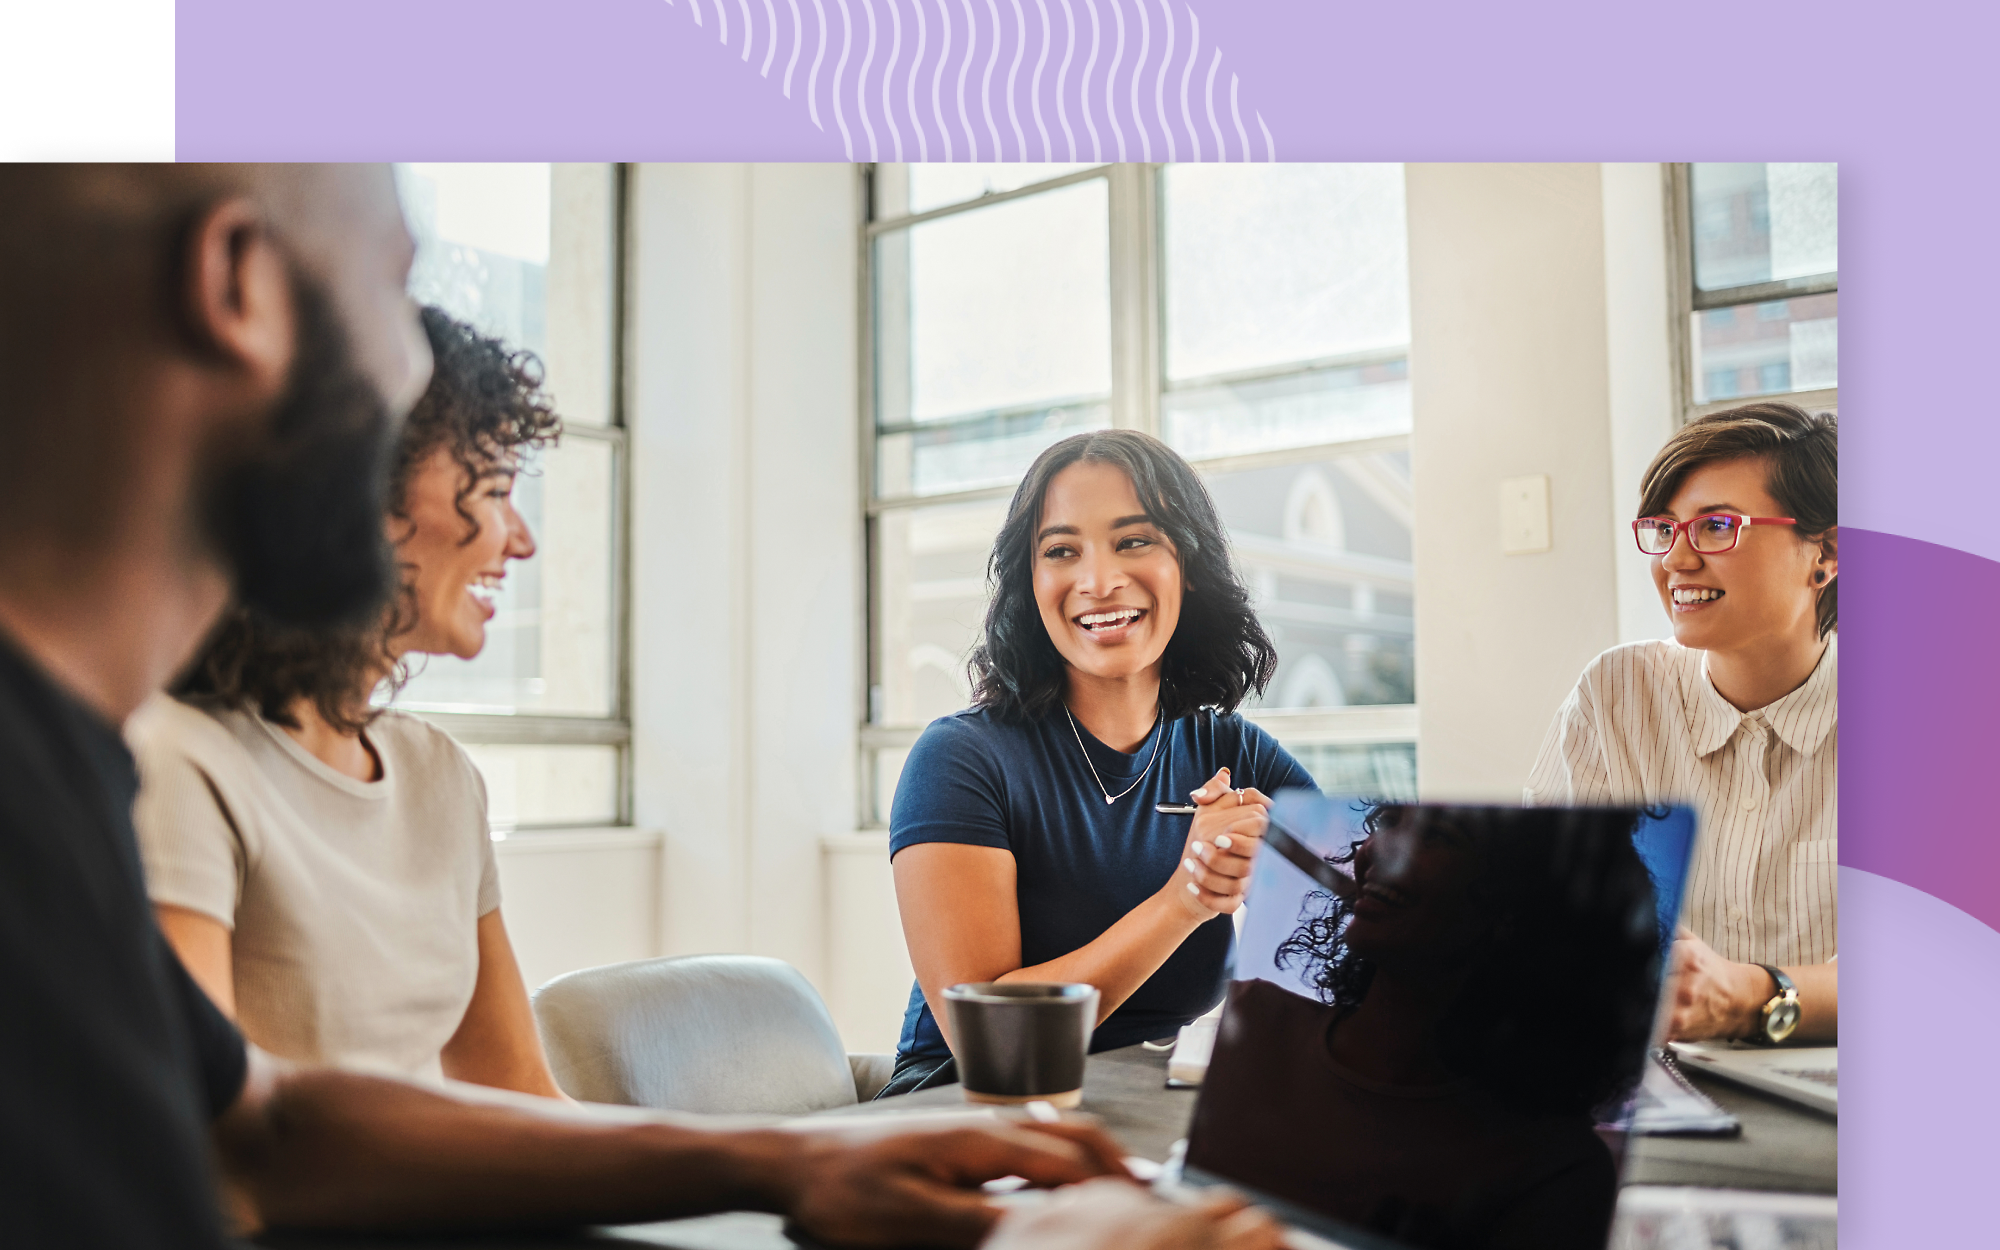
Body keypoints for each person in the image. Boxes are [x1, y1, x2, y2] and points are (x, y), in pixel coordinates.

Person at [0, 163, 1168, 1250]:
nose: (416, 378)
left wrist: (795, 1164)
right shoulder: (132, 772)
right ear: (240, 283)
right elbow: (252, 1150)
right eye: (393, 291)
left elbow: (271, 1123)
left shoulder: (76, 765)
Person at [127, 305, 565, 1095]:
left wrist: (741, 1175)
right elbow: (223, 1136)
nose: (521, 539)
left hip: (444, 1220)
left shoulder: (441, 776)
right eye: (496, 487)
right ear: (371, 491)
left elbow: (523, 1093)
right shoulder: (178, 761)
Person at [887, 430, 1318, 1098]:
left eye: (1135, 540)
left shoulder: (1234, 753)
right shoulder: (960, 760)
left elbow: (1373, 922)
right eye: (1062, 551)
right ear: (1031, 583)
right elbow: (989, 1038)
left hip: (1148, 1103)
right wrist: (1189, 896)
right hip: (971, 1107)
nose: (1098, 581)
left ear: (1189, 563)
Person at [1185, 803, 1661, 1250]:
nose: (1376, 849)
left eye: (1437, 835)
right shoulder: (1251, 1018)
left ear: (1520, 907)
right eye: (1391, 821)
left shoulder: (1555, 1171)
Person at [1525, 402, 1837, 1043]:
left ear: (1827, 554)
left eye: (1717, 526)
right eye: (1665, 530)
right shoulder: (1615, 696)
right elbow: (1549, 913)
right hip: (1652, 1091)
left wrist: (1747, 996)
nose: (1676, 560)